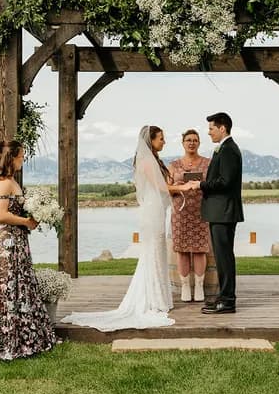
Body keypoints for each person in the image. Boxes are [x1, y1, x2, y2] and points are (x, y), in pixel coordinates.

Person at [61, 126, 193, 331]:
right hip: (152, 212)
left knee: (157, 252)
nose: (164, 142)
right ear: (151, 140)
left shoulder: (153, 160)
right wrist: (183, 187)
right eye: (161, 139)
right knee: (153, 252)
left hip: (158, 210)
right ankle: (153, 300)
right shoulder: (147, 161)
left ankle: (158, 298)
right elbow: (160, 187)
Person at [0, 139, 57, 360]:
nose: (23, 159)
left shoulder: (10, 180)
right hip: (6, 244)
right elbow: (0, 215)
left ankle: (22, 337)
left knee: (19, 289)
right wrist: (26, 221)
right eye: (21, 156)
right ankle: (8, 341)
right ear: (10, 158)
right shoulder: (3, 183)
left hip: (16, 243)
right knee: (9, 291)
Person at [188, 112, 243, 314]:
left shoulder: (228, 150)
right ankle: (223, 297)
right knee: (222, 257)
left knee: (224, 257)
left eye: (211, 128)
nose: (209, 132)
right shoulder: (224, 149)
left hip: (224, 212)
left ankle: (228, 301)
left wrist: (200, 184)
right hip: (220, 212)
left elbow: (225, 182)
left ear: (222, 128)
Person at [168, 129, 211, 302]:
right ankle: (185, 286)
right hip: (180, 212)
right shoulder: (174, 165)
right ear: (183, 143)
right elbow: (167, 189)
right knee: (182, 250)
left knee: (200, 250)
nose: (191, 143)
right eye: (188, 140)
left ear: (199, 143)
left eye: (195, 140)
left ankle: (199, 286)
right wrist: (177, 186)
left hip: (201, 210)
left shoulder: (208, 163)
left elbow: (213, 185)